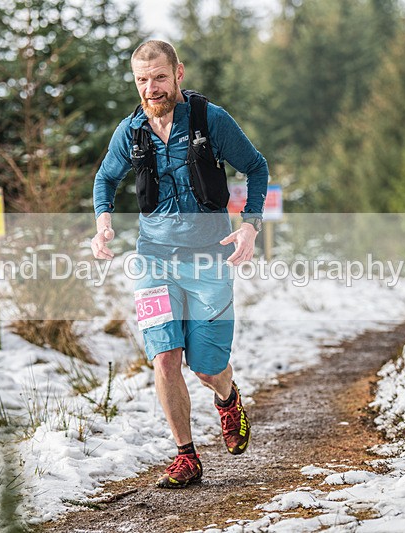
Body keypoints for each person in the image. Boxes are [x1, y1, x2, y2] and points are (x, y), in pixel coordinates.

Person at [91, 40, 268, 488]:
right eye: (142, 80)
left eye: (160, 78)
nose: (151, 89)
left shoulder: (211, 120)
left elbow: (256, 167)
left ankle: (227, 399)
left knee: (207, 367)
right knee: (165, 357)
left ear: (179, 74)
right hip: (153, 259)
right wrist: (103, 220)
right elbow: (106, 178)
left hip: (209, 257)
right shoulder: (130, 132)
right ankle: (185, 455)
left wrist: (250, 225)